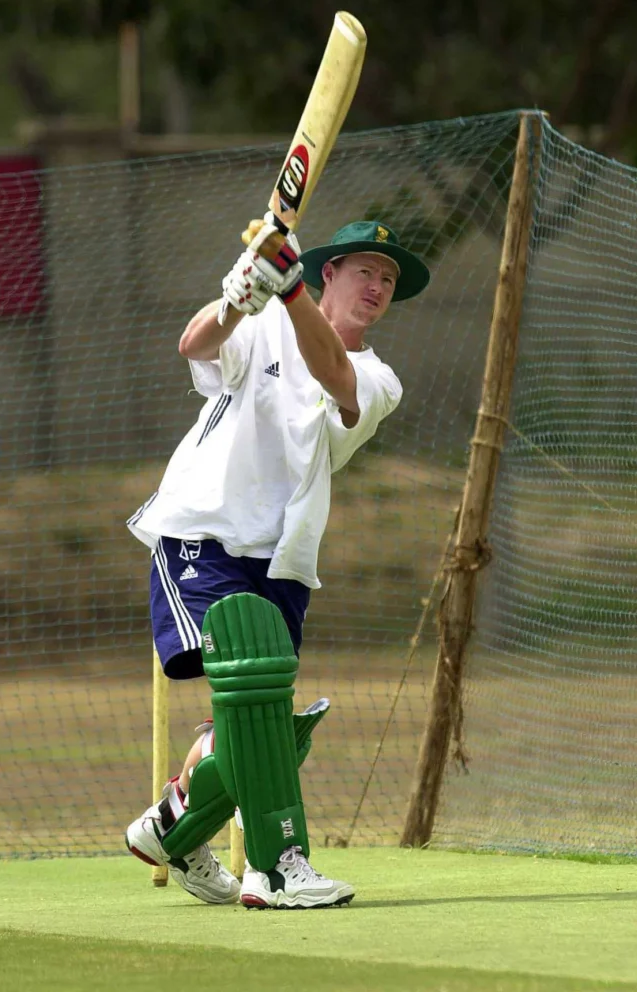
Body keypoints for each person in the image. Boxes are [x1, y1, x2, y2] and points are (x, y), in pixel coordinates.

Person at [125, 216, 430, 909]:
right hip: (205, 528)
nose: (377, 287)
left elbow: (331, 370)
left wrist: (284, 289)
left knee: (261, 727)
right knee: (253, 704)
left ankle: (171, 830)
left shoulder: (379, 378)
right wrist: (237, 297)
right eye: (365, 271)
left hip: (283, 558)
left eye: (388, 280)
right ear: (331, 273)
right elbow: (194, 342)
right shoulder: (261, 324)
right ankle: (277, 867)